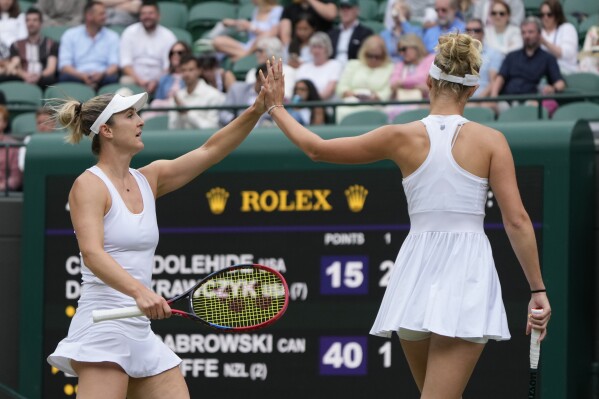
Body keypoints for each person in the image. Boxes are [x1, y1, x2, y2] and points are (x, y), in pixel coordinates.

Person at [263, 32, 551, 398]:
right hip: (465, 273)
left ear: (429, 81)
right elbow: (517, 221)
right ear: (473, 90)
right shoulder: (492, 141)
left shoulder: (399, 136)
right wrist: (537, 289)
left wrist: (276, 108)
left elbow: (317, 149)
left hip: (415, 273)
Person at [46, 81, 268, 397]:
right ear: (107, 131)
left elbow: (211, 149)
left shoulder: (150, 179)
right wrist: (141, 293)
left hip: (139, 330)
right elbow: (92, 254)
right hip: (103, 329)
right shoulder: (89, 185)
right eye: (131, 116)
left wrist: (257, 109)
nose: (141, 121)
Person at [491, 16, 565, 109]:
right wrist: (493, 97)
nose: (527, 36)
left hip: (533, 102)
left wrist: (553, 89)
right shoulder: (511, 56)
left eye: (530, 32)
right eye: (523, 33)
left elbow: (560, 83)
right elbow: (500, 78)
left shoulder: (548, 58)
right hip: (507, 101)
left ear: (539, 34)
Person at [58, 1, 120, 90]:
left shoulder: (112, 36)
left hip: (103, 77)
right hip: (77, 76)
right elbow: (64, 65)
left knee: (112, 78)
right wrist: (81, 75)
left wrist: (102, 74)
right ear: (89, 16)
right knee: (65, 78)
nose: (105, 17)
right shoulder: (70, 35)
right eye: (101, 14)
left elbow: (114, 65)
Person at [119, 1, 177, 95]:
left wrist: (156, 81)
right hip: (134, 79)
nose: (147, 17)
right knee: (124, 82)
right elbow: (126, 64)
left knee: (170, 81)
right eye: (143, 14)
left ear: (158, 16)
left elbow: (168, 65)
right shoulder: (129, 32)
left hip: (160, 80)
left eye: (150, 13)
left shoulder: (168, 36)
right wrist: (140, 81)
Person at [335, 34, 394, 123]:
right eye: (369, 55)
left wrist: (377, 97)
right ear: (364, 53)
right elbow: (341, 86)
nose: (373, 59)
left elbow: (389, 89)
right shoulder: (353, 64)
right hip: (352, 102)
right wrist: (349, 93)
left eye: (377, 57)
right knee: (342, 109)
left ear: (384, 55)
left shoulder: (390, 68)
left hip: (376, 105)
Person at [212, 0, 283, 62]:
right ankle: (243, 55)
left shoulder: (277, 10)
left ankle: (244, 56)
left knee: (260, 38)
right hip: (248, 46)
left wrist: (251, 27)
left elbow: (273, 33)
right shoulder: (256, 10)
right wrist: (243, 27)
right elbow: (251, 31)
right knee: (217, 41)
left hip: (263, 45)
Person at [168, 55, 226, 130]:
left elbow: (212, 128)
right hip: (181, 140)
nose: (186, 74)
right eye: (183, 70)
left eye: (191, 70)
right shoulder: (177, 96)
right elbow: (173, 128)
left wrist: (187, 113)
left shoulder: (213, 95)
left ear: (199, 71)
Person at [385, 34, 435, 120]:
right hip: (403, 105)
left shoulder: (431, 59)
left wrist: (402, 83)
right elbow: (393, 83)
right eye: (399, 50)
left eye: (404, 49)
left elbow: (425, 77)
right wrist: (415, 86)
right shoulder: (400, 64)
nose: (401, 53)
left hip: (426, 105)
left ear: (416, 47)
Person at [6, 7, 59, 88]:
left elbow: (51, 68)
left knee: (50, 80)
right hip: (22, 77)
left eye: (34, 20)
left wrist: (39, 76)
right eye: (28, 20)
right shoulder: (16, 44)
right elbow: (15, 65)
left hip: (42, 78)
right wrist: (25, 75)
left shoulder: (51, 44)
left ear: (41, 23)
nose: (31, 23)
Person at [295, 32, 343, 101]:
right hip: (302, 106)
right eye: (314, 47)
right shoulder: (303, 67)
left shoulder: (335, 65)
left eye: (320, 47)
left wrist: (312, 103)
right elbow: (297, 89)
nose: (316, 51)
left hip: (324, 106)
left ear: (327, 49)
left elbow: (330, 90)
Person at [466, 18, 504, 100]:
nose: (472, 33)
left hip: (483, 99)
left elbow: (493, 82)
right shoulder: (459, 53)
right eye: (468, 30)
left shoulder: (494, 54)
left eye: (476, 30)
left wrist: (476, 101)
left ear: (483, 33)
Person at [327, 0, 373, 66]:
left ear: (357, 11)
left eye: (348, 8)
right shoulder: (331, 34)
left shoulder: (365, 33)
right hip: (332, 69)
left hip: (354, 70)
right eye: (342, 8)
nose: (345, 11)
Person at [539, 0, 579, 75]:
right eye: (542, 15)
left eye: (549, 14)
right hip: (541, 71)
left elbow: (566, 54)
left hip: (566, 71)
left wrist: (545, 42)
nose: (545, 18)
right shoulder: (539, 31)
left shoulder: (567, 28)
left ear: (557, 15)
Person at [18, 107, 55, 172]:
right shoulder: (28, 140)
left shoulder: (59, 141)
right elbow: (22, 165)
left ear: (54, 124)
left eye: (46, 122)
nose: (42, 126)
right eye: (39, 123)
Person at [0, 105, 22, 192]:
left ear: (5, 123)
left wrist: (2, 186)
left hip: (4, 194)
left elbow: (16, 178)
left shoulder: (13, 145)